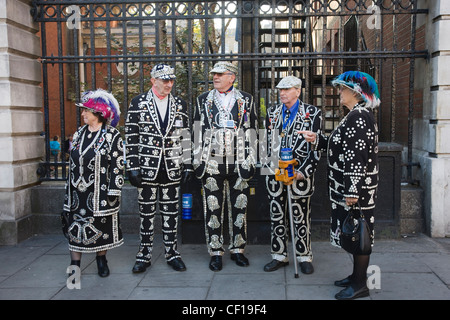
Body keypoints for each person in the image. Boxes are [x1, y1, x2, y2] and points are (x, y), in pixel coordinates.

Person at [301, 71, 380, 299]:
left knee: (360, 234)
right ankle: (356, 277)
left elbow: (356, 157)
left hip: (357, 190)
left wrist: (352, 190)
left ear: (356, 93)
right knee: (354, 233)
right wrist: (317, 140)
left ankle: (360, 285)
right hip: (353, 187)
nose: (340, 93)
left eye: (343, 89)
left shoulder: (359, 117)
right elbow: (342, 147)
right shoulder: (354, 115)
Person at [125, 64, 192, 273]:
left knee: (171, 213)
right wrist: (132, 167)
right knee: (146, 213)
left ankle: (172, 253)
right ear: (153, 80)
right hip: (146, 168)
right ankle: (144, 255)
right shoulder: (138, 103)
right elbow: (131, 136)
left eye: (171, 80)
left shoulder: (180, 104)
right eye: (164, 80)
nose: (169, 84)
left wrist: (188, 164)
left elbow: (186, 136)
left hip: (172, 167)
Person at [192, 61, 258, 271]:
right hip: (212, 162)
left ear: (232, 77)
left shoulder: (246, 99)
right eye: (214, 74)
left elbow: (255, 128)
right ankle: (215, 251)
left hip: (239, 161)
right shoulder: (203, 99)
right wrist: (195, 162)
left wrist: (253, 160)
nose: (215, 77)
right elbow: (194, 130)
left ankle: (238, 249)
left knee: (240, 207)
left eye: (220, 74)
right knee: (213, 207)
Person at [262, 76, 322, 275]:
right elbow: (265, 143)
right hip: (276, 174)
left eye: (287, 89)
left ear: (298, 91)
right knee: (277, 215)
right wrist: (269, 170)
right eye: (280, 89)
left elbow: (316, 148)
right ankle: (279, 255)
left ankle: (304, 255)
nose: (282, 93)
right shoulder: (272, 113)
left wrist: (303, 172)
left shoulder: (312, 113)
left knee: (301, 216)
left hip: (299, 175)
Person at [62, 88, 124, 278]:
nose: (83, 114)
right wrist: (68, 190)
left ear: (98, 113)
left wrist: (114, 191)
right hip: (77, 193)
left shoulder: (112, 135)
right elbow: (72, 162)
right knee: (75, 229)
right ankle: (75, 264)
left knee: (100, 227)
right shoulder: (79, 133)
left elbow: (117, 165)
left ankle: (101, 260)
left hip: (100, 194)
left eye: (86, 111)